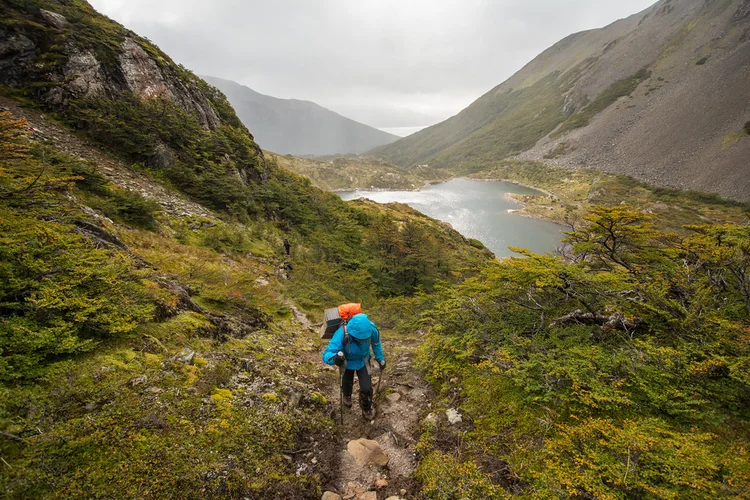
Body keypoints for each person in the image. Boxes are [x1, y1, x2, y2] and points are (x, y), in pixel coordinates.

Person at [322, 312, 385, 420]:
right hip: (346, 361)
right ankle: (347, 395)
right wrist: (335, 358)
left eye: (364, 339)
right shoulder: (342, 333)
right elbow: (327, 353)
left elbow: (376, 343)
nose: (362, 341)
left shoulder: (372, 329)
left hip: (364, 360)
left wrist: (380, 358)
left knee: (367, 387)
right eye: (359, 339)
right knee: (346, 383)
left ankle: (366, 407)